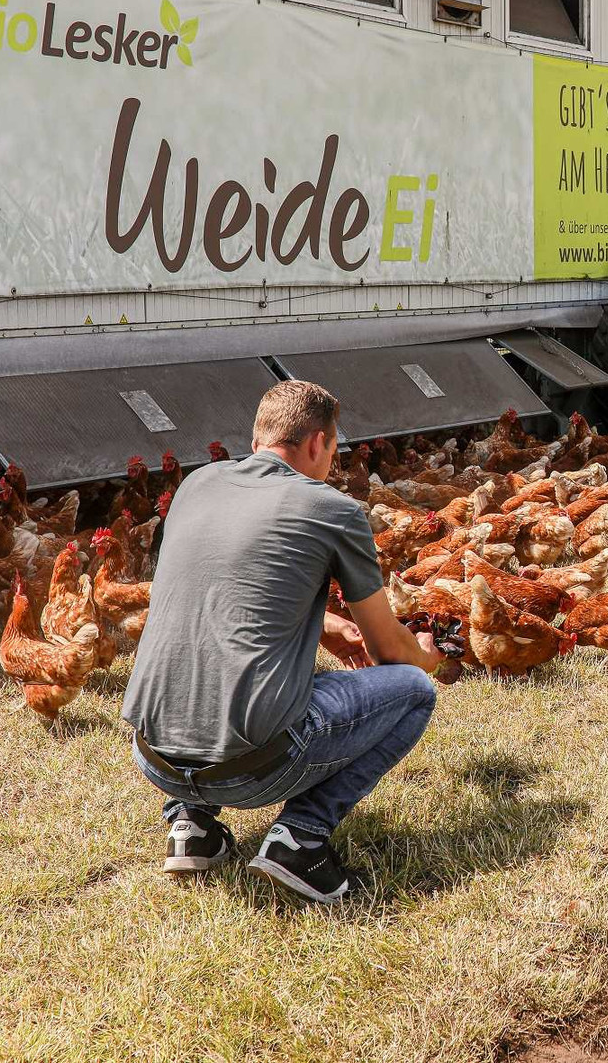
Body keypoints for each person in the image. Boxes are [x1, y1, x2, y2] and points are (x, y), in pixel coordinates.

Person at [121, 380, 446, 905]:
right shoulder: (332, 508)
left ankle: (191, 825)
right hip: (252, 768)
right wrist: (424, 655)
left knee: (226, 666)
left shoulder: (195, 486)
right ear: (317, 443)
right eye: (334, 451)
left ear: (258, 438)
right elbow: (389, 651)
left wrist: (323, 627)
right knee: (411, 690)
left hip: (153, 755)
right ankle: (301, 838)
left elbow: (220, 595)